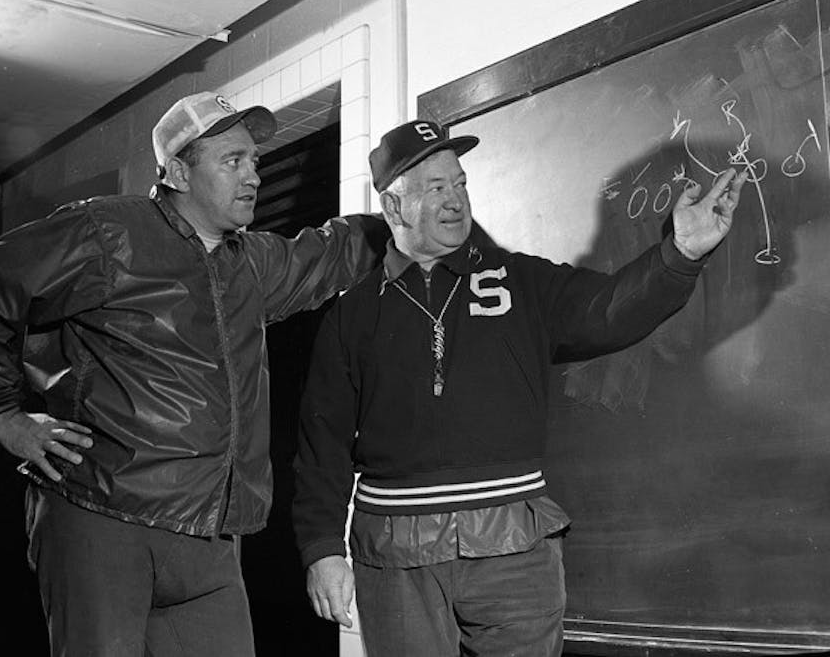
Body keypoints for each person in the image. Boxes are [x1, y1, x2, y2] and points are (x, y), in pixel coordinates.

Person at [0, 91, 388, 657]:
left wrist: (399, 215)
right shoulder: (107, 233)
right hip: (104, 518)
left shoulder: (249, 261)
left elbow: (329, 254)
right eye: (232, 161)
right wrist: (1, 414)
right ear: (178, 171)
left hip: (208, 536)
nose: (252, 174)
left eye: (254, 160)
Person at [292, 119, 748, 656]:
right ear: (394, 208)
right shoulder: (352, 314)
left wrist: (681, 254)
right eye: (436, 187)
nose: (455, 199)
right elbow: (321, 444)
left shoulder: (520, 281)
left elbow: (608, 310)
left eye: (459, 183)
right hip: (395, 556)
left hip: (513, 544)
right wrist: (322, 549)